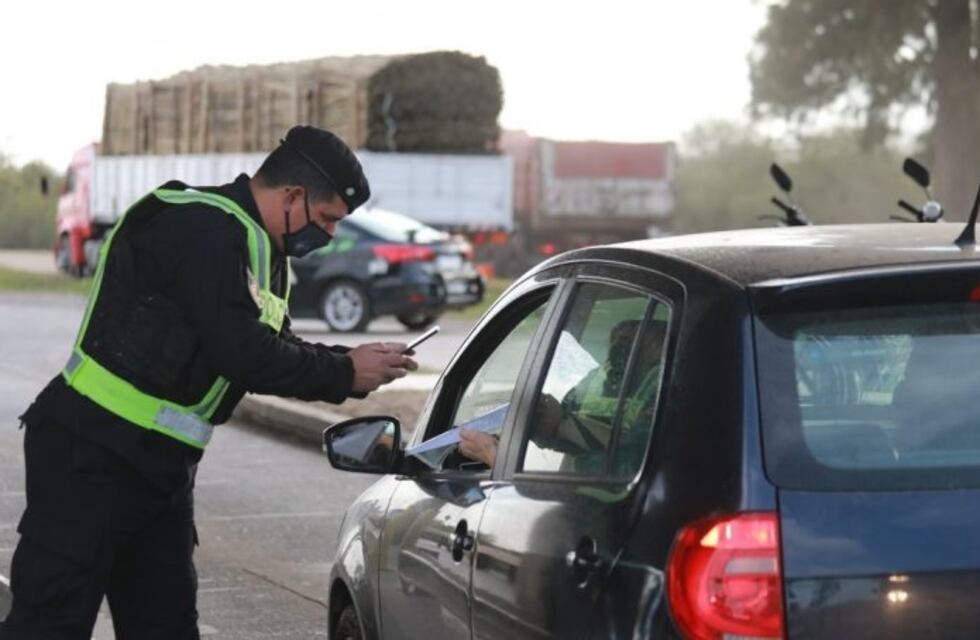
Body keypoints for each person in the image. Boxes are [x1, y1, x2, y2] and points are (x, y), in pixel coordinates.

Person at [1, 126, 418, 640]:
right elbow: (243, 354)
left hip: (159, 469)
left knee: (166, 626)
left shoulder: (263, 252)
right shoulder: (204, 228)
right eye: (328, 218)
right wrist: (345, 373)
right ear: (293, 196)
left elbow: (273, 343)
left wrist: (350, 362)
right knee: (50, 625)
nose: (330, 234)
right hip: (90, 452)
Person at [458, 318, 666, 469]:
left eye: (632, 343)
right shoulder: (593, 380)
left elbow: (623, 467)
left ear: (660, 351)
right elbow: (596, 437)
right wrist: (557, 425)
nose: (620, 350)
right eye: (617, 341)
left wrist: (494, 455)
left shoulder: (661, 394)